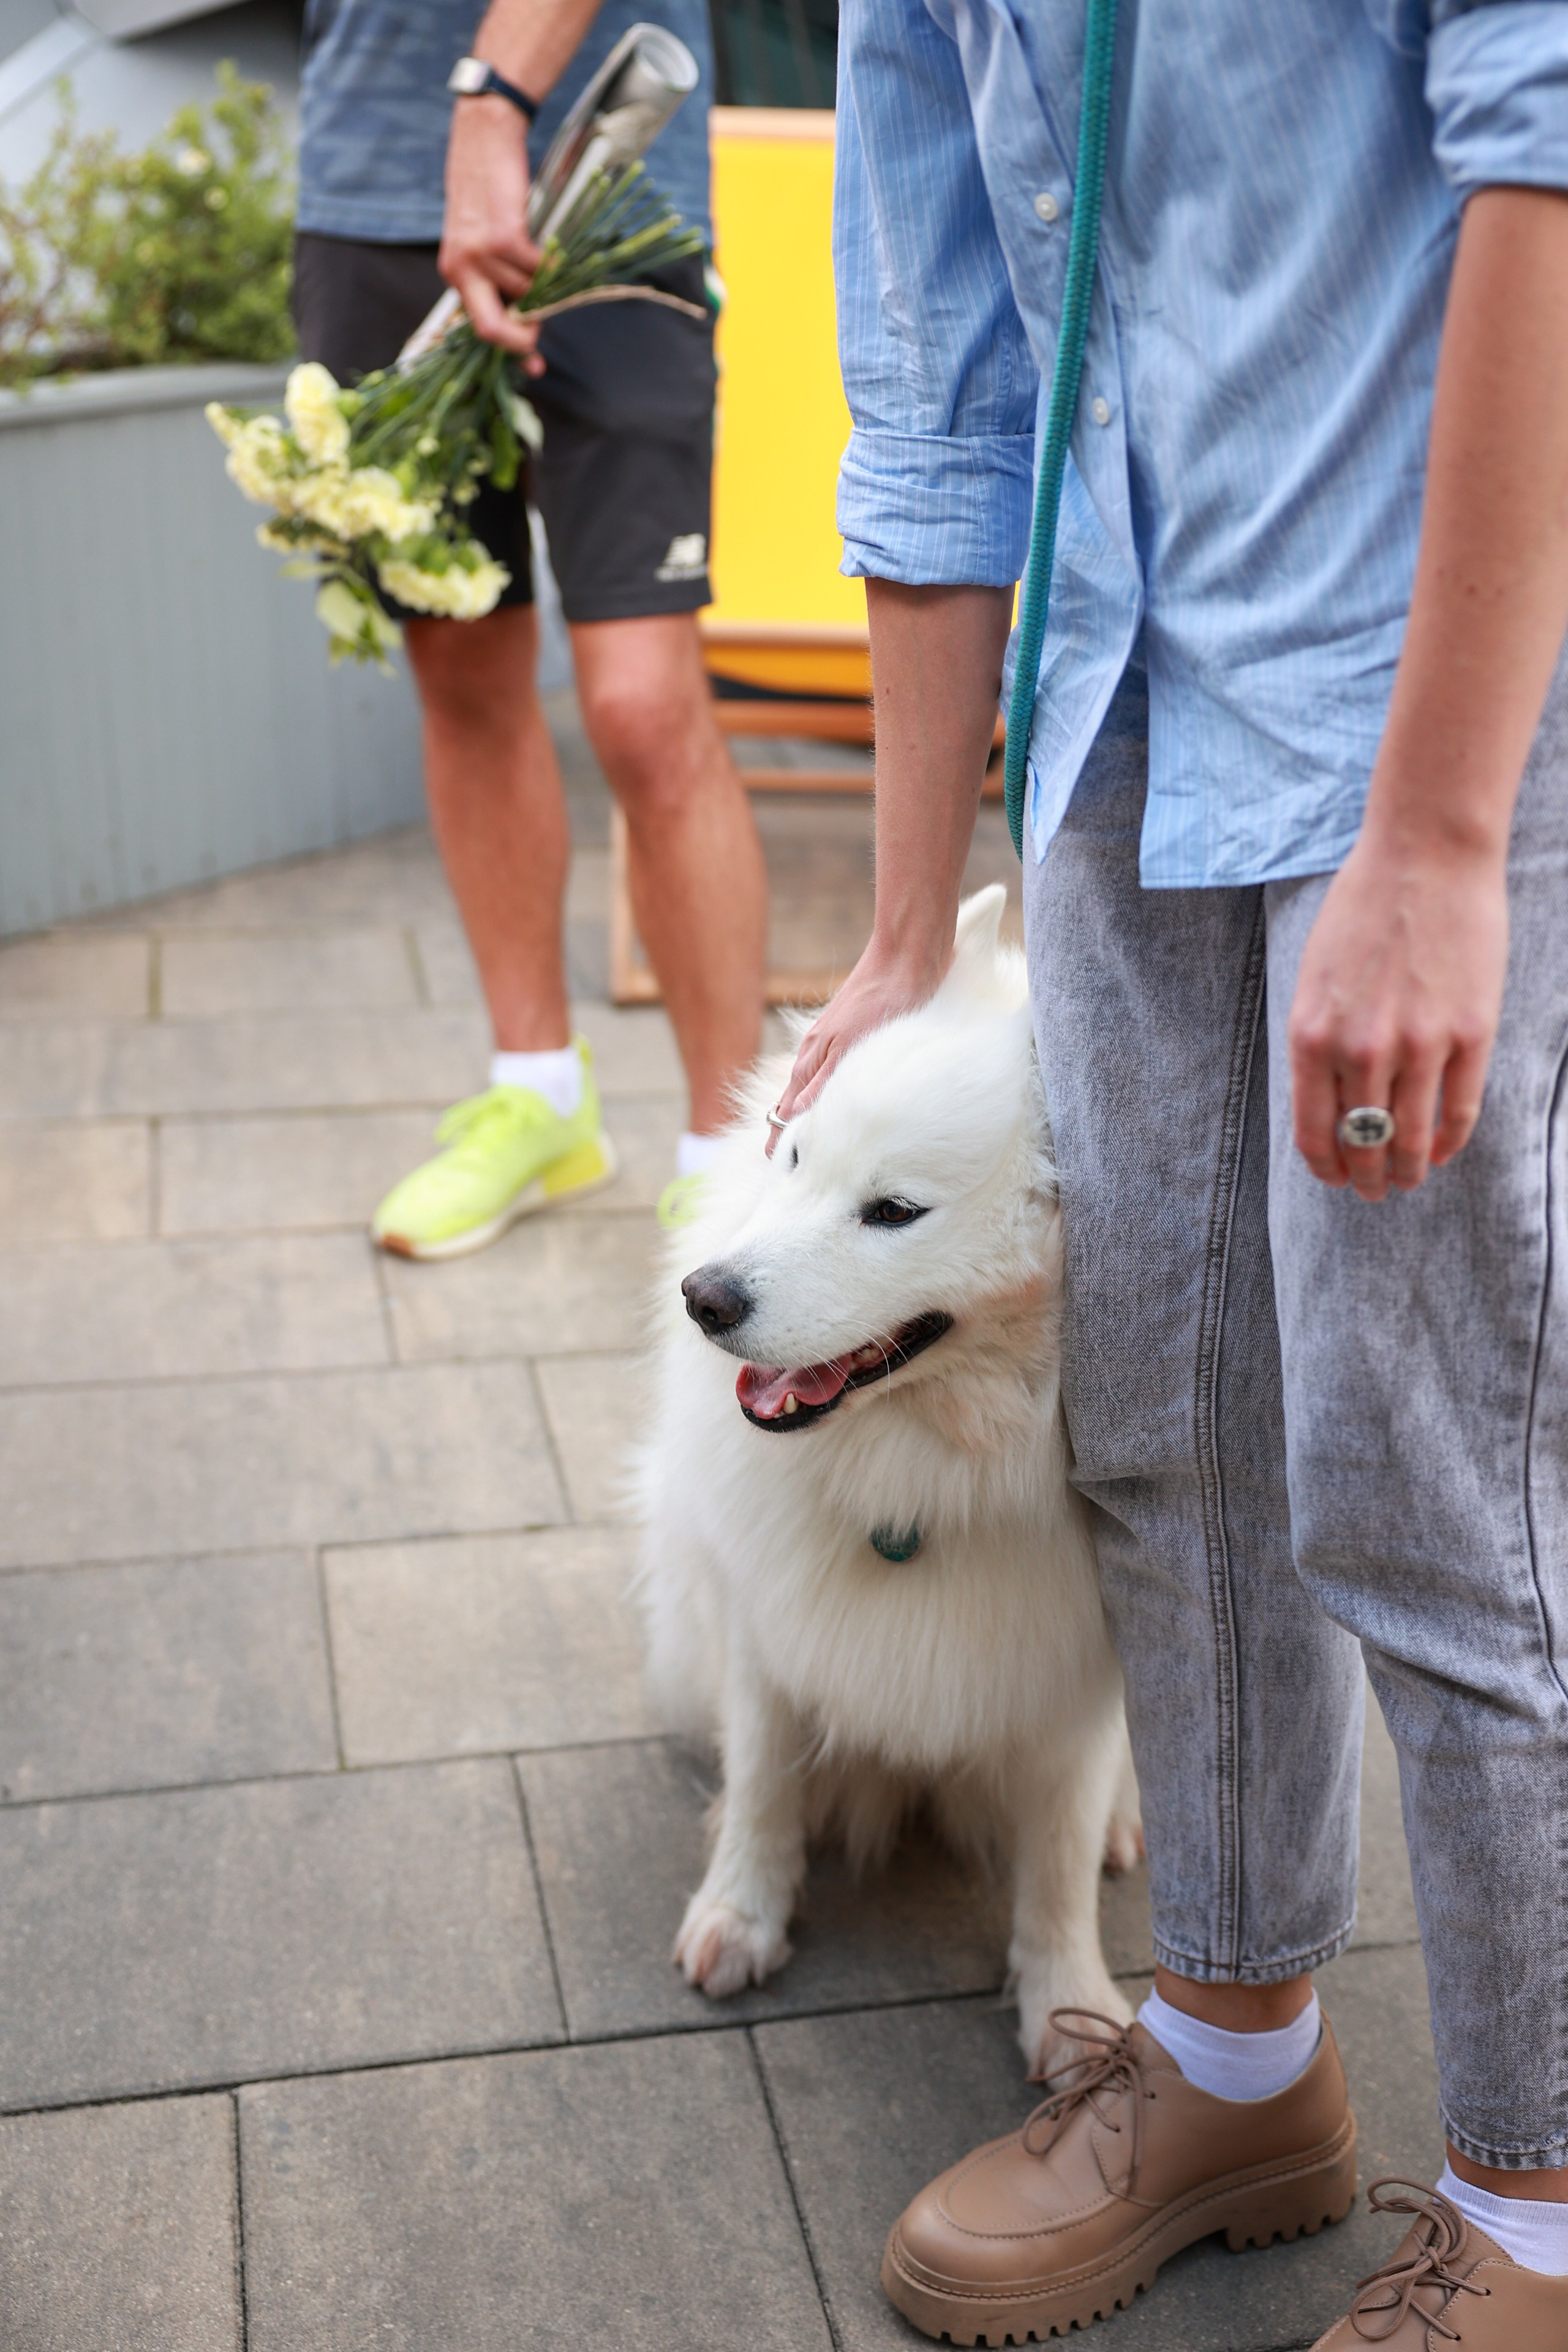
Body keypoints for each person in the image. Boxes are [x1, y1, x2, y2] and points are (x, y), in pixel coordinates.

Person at [769, 2, 1568, 2342]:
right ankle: (1235, 2055)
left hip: (1439, 698)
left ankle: (1538, 2206)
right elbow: (935, 383)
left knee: (1435, 1475)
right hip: (1115, 709)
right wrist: (907, 928)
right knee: (1162, 1424)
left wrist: (1442, 837)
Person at [293, 0, 767, 1257]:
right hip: (370, 185)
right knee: (460, 665)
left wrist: (493, 103)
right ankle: (539, 1094)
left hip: (608, 180)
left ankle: (731, 1154)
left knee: (643, 707)